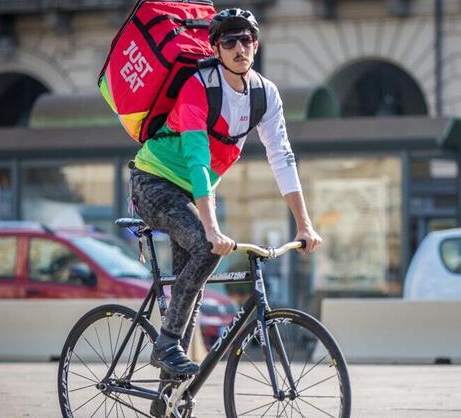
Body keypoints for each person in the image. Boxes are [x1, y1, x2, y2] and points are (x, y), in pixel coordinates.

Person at [130, 8, 322, 378]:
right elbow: (197, 159)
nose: (239, 48)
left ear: (256, 45)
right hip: (153, 182)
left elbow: (281, 157)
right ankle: (166, 343)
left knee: (194, 283)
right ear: (215, 48)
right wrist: (212, 228)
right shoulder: (198, 86)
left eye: (245, 39)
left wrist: (305, 225)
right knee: (207, 248)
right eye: (229, 41)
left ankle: (170, 393)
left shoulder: (265, 94)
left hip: (193, 194)